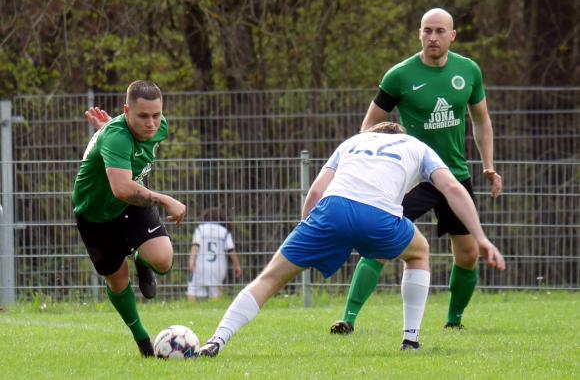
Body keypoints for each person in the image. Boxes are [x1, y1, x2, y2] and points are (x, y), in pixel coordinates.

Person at [197, 121, 504, 357]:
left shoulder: (353, 142)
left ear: (374, 133)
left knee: (270, 278)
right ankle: (411, 339)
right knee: (419, 252)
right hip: (379, 218)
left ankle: (216, 341)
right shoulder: (417, 145)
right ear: (399, 134)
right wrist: (480, 237)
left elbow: (316, 191)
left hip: (332, 210)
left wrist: (306, 229)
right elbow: (452, 189)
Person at [330, 8, 503, 335]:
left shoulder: (468, 71)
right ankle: (348, 319)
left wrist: (489, 165)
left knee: (467, 255)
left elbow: (481, 120)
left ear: (452, 35)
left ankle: (453, 321)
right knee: (380, 242)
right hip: (413, 178)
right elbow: (368, 127)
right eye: (427, 31)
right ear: (419, 34)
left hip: (453, 175)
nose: (432, 37)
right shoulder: (399, 75)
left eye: (439, 31)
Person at [72, 80, 186, 357]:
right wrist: (165, 199)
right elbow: (122, 188)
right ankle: (143, 340)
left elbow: (127, 153)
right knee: (117, 280)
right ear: (127, 111)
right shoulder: (115, 136)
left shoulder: (157, 129)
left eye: (156, 115)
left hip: (132, 202)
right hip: (95, 212)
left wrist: (110, 133)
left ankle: (141, 260)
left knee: (162, 260)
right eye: (143, 116)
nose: (152, 123)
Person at [188, 207, 242, 302]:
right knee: (216, 291)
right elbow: (231, 251)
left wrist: (191, 260)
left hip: (201, 266)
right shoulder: (225, 232)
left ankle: (191, 308)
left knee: (193, 289)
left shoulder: (200, 229)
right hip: (218, 267)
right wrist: (237, 265)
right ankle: (215, 308)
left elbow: (195, 246)